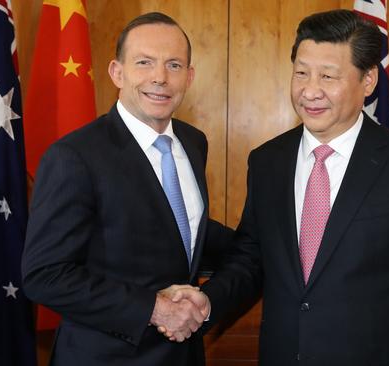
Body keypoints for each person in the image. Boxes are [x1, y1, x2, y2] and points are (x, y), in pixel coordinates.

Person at [172, 9, 389, 366]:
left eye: (328, 76)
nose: (311, 91)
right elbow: (251, 257)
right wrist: (209, 300)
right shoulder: (267, 162)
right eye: (301, 73)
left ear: (368, 80)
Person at [22, 12, 230, 366]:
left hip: (185, 355)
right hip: (106, 357)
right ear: (117, 72)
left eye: (174, 65)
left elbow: (176, 233)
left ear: (190, 76)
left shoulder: (194, 143)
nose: (160, 78)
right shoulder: (73, 156)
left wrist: (269, 246)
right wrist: (155, 308)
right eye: (144, 62)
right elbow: (44, 275)